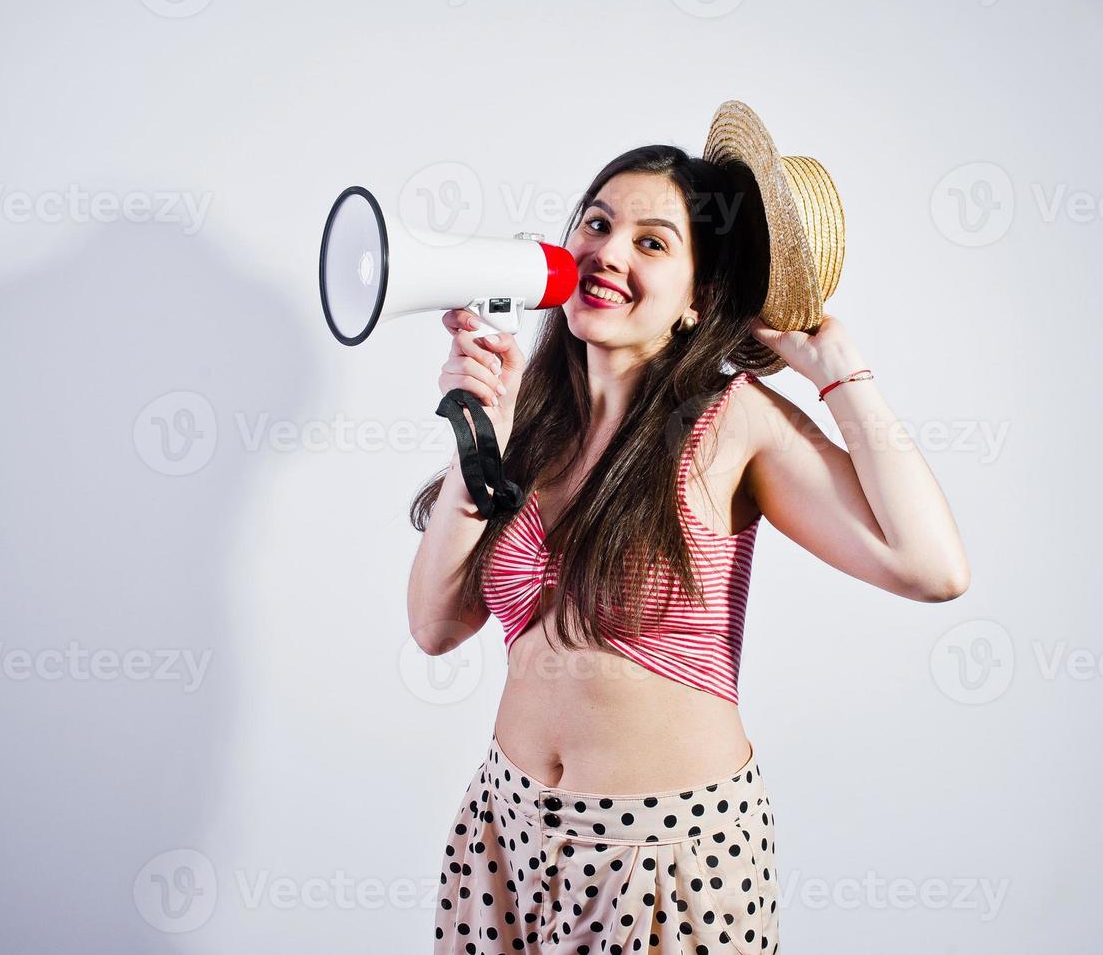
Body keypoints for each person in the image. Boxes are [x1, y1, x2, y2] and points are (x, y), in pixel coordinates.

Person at [408, 138, 969, 954]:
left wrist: (842, 374)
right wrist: (479, 444)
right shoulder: (530, 411)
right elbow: (435, 627)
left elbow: (933, 570)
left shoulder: (731, 421)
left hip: (667, 855)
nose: (605, 252)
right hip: (506, 825)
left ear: (697, 300)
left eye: (650, 242)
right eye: (595, 224)